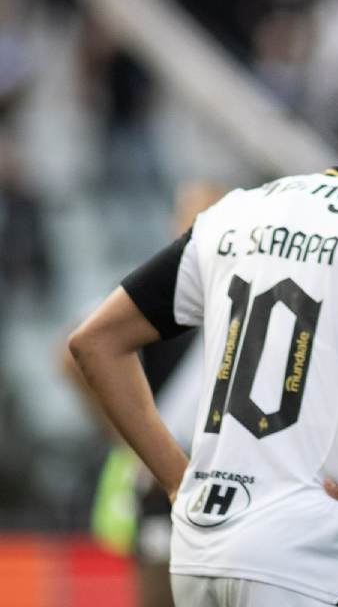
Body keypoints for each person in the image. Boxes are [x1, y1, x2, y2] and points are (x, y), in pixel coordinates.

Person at [68, 82, 338, 607]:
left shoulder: (240, 208)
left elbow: (94, 341)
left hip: (200, 543)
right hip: (310, 549)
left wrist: (177, 482)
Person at [62, 182, 225, 607]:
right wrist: (135, 437)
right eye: (193, 220)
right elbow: (75, 351)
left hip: (225, 472)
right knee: (162, 589)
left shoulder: (239, 295)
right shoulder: (162, 291)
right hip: (169, 471)